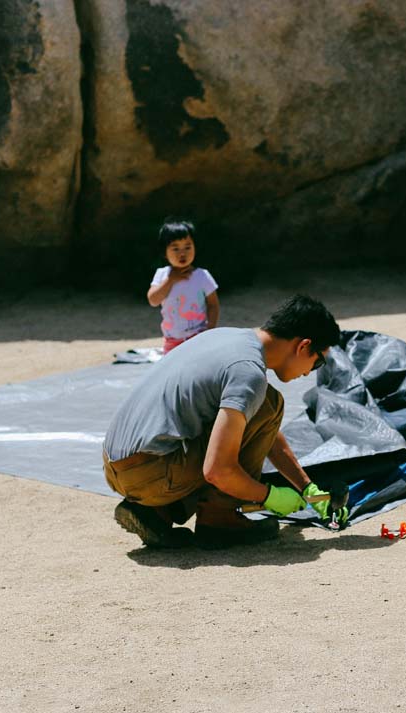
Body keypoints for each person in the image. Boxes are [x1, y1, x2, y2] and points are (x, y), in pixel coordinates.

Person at [102, 295, 341, 548]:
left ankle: (156, 512)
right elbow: (218, 470)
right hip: (151, 472)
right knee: (270, 404)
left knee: (263, 404)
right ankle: (220, 519)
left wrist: (306, 487)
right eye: (317, 363)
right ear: (303, 346)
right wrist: (270, 496)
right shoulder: (248, 372)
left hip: (119, 467)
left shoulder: (228, 337)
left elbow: (262, 431)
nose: (308, 373)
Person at [148, 219, 220, 354]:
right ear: (165, 252)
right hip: (172, 340)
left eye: (188, 247)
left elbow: (213, 304)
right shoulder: (162, 275)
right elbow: (153, 300)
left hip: (198, 337)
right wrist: (170, 280)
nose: (182, 253)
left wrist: (210, 329)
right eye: (175, 248)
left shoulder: (202, 276)